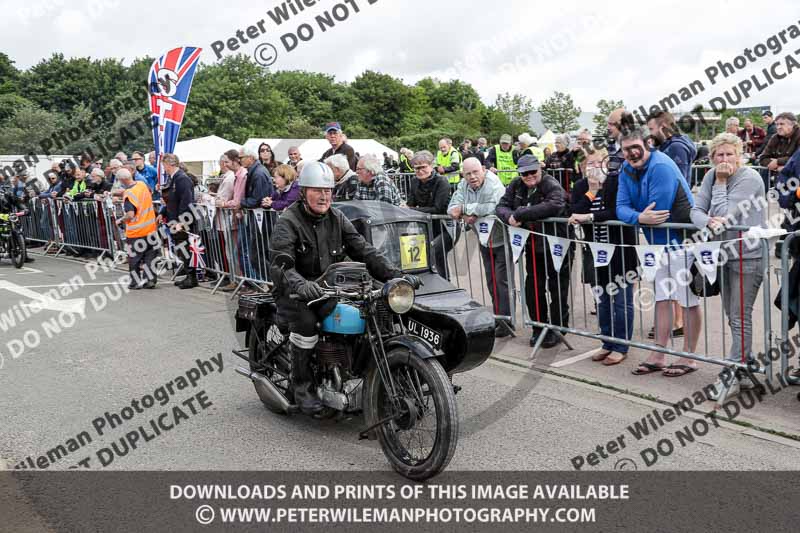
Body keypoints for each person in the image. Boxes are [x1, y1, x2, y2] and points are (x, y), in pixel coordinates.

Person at [269, 161, 420, 414]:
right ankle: (302, 386)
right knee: (307, 324)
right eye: (317, 190)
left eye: (328, 190)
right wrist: (301, 284)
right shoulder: (289, 221)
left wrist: (397, 276)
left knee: (374, 311)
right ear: (304, 192)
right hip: (295, 291)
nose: (324, 196)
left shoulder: (336, 217)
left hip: (330, 288)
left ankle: (358, 372)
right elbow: (281, 264)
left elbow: (364, 250)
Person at [616, 127, 700, 377]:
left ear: (648, 144)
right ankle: (658, 355)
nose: (631, 153)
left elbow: (659, 211)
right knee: (662, 298)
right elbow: (621, 207)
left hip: (682, 241)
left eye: (635, 147)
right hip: (656, 244)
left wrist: (636, 215)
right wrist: (639, 216)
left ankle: (689, 357)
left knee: (687, 300)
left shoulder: (661, 165)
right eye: (626, 149)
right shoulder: (625, 169)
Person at [690, 132, 766, 400]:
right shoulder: (710, 175)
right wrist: (706, 222)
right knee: (731, 316)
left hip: (749, 256)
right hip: (722, 254)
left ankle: (731, 375)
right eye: (719, 155)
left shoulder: (749, 178)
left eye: (729, 154)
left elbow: (725, 214)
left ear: (740, 154)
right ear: (711, 157)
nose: (724, 160)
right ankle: (743, 370)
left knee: (739, 316)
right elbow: (696, 210)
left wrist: (721, 182)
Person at [569, 146, 637, 365]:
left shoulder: (617, 183)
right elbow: (574, 210)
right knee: (603, 300)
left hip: (621, 252)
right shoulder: (580, 186)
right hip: (595, 253)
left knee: (621, 301)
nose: (594, 168)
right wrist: (591, 191)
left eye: (598, 163)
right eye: (589, 164)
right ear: (582, 168)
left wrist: (588, 216)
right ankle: (607, 342)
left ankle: (621, 346)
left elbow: (616, 212)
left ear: (606, 164)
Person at [496, 155, 572, 348]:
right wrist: (509, 216)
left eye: (532, 171)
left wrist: (520, 213)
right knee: (534, 288)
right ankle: (539, 327)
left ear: (540, 169)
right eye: (524, 173)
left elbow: (555, 204)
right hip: (533, 246)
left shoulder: (551, 183)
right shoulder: (516, 185)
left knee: (558, 288)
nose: (529, 176)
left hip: (558, 245)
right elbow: (501, 206)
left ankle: (557, 329)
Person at [448, 158, 511, 336]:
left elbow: (495, 207)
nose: (472, 177)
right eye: (468, 174)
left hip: (502, 239)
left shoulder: (494, 183)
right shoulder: (463, 185)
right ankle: (499, 318)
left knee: (502, 281)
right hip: (484, 240)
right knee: (491, 281)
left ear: (483, 169)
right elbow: (451, 208)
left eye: (475, 172)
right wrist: (466, 211)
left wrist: (468, 209)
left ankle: (507, 322)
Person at [405, 150, 452, 277]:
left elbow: (437, 208)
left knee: (435, 253)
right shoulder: (414, 181)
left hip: (446, 227)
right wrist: (406, 208)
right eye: (416, 168)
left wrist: (412, 210)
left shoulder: (442, 181)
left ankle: (445, 286)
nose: (420, 171)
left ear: (431, 166)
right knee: (430, 259)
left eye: (423, 167)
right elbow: (410, 203)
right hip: (427, 226)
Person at [116, 168, 159, 290]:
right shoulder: (141, 184)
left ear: (122, 180)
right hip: (150, 228)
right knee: (150, 257)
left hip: (136, 232)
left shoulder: (129, 194)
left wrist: (120, 220)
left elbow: (130, 214)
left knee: (134, 258)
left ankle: (135, 282)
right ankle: (150, 280)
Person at [159, 153, 196, 289]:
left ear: (169, 164)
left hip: (181, 220)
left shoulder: (182, 179)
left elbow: (186, 201)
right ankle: (187, 274)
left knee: (185, 248)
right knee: (180, 248)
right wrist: (162, 212)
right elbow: (170, 199)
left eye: (164, 164)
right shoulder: (173, 178)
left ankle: (191, 277)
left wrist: (182, 221)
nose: (163, 168)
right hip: (173, 218)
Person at [646, 110, 697, 183]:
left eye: (651, 129)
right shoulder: (665, 146)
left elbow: (678, 182)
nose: (649, 134)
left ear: (662, 128)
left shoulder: (676, 147)